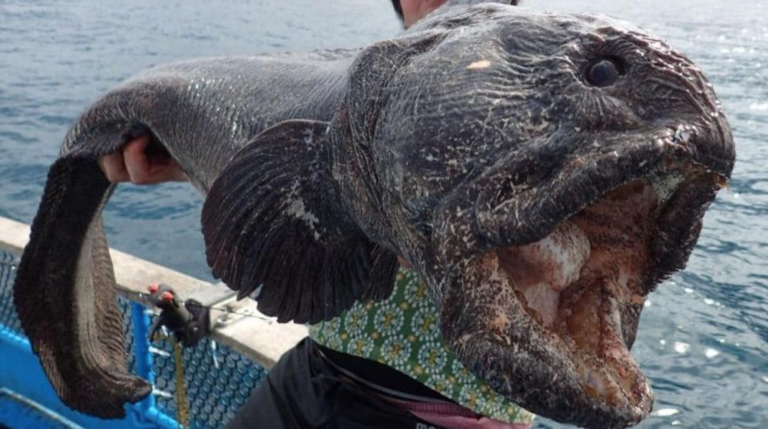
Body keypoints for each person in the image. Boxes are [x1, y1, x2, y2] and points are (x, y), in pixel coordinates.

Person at [100, 1, 534, 428]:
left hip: (446, 414)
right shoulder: (353, 90)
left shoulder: (533, 97)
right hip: (315, 370)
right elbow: (305, 188)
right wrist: (181, 161)